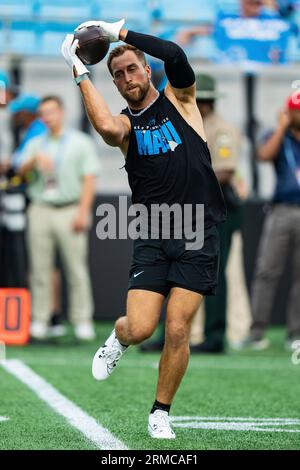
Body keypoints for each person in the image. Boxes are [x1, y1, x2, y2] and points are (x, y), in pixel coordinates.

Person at [61, 19, 226, 439]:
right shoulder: (127, 128)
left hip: (197, 230)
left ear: (147, 71)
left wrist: (120, 34)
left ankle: (160, 411)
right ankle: (118, 338)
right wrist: (80, 72)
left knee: (177, 327)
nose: (126, 78)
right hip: (152, 233)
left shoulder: (182, 100)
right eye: (117, 74)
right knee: (140, 328)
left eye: (132, 69)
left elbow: (175, 54)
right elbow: (104, 128)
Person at [18, 95, 100, 341]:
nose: (48, 117)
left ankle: (82, 319)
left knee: (76, 268)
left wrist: (83, 211)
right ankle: (40, 318)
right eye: (44, 113)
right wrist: (33, 161)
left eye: (51, 111)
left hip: (69, 208)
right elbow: (19, 171)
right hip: (40, 207)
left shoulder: (80, 142)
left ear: (61, 112)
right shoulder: (34, 143)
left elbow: (89, 179)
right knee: (40, 268)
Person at [241, 94, 300, 351]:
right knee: (267, 271)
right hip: (282, 210)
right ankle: (257, 331)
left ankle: (296, 333)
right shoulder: (280, 136)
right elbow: (263, 155)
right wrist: (281, 127)